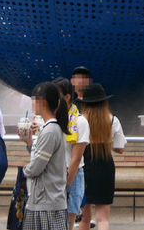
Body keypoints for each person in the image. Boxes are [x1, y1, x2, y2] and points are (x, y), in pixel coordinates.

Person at [20, 82, 71, 230]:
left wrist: (24, 170)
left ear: (42, 101)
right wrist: (30, 143)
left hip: (46, 203)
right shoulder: (52, 129)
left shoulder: (49, 131)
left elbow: (36, 167)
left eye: (33, 100)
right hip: (49, 200)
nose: (32, 104)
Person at [77, 84, 124, 230]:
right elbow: (120, 148)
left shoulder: (80, 120)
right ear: (104, 101)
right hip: (105, 169)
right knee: (103, 219)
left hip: (84, 168)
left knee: (84, 220)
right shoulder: (112, 119)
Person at [53, 79, 89, 228]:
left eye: (55, 95)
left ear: (66, 97)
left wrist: (66, 185)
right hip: (54, 175)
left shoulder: (80, 122)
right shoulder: (54, 120)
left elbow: (76, 158)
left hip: (71, 177)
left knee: (67, 223)